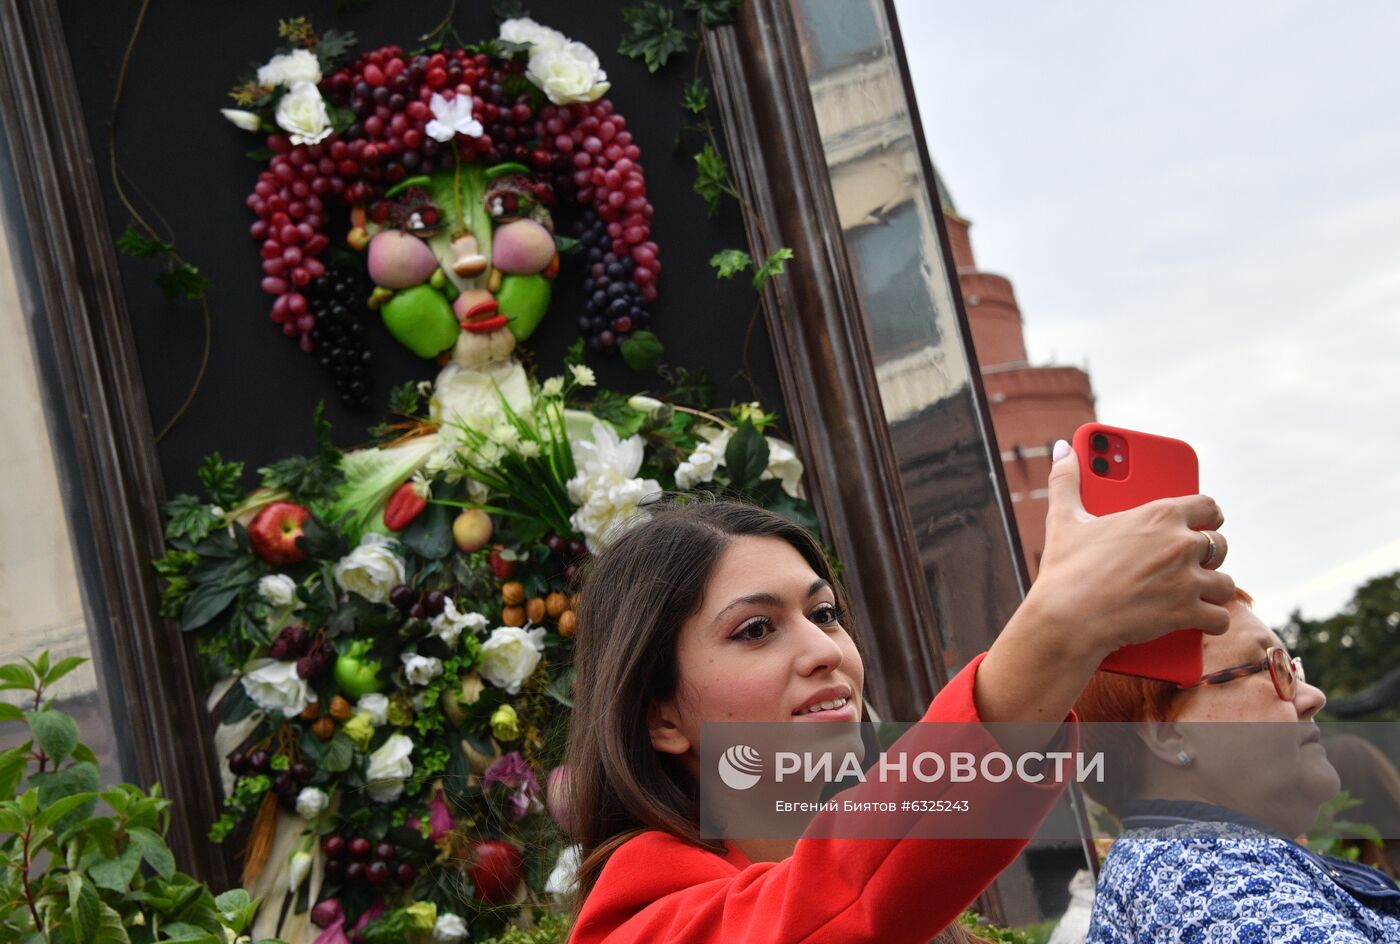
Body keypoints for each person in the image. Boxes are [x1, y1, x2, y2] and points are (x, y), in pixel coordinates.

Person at [564, 441, 1234, 944]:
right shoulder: (636, 919)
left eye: (826, 615)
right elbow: (815, 910)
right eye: (757, 629)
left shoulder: (907, 895)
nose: (825, 651)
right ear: (660, 717)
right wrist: (1057, 633)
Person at [1077, 590, 1400, 942]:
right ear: (1168, 732)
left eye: (1293, 669)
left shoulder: (1182, 863)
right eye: (1272, 667)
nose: (1313, 697)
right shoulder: (1198, 878)